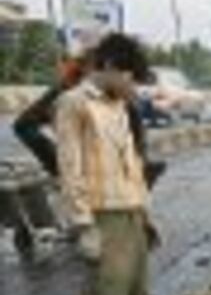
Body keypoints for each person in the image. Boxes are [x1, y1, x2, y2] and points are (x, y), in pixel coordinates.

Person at [55, 33, 158, 295]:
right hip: (103, 217)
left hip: (132, 215)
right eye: (131, 78)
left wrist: (146, 216)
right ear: (111, 67)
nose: (134, 87)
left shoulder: (119, 106)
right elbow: (70, 169)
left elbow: (131, 165)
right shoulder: (74, 104)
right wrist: (84, 226)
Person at [13, 33, 163, 186]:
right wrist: (58, 164)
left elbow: (135, 131)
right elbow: (24, 125)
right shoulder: (69, 90)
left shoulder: (119, 94)